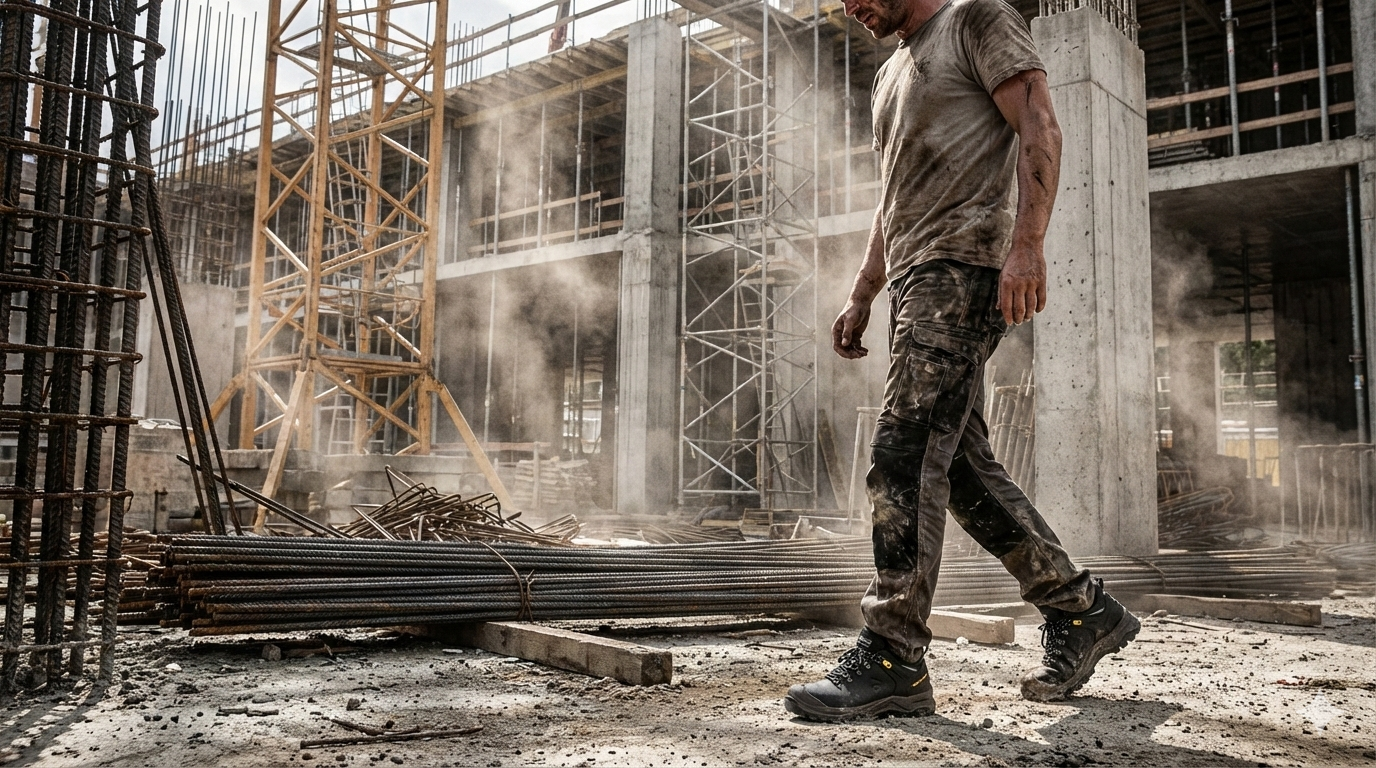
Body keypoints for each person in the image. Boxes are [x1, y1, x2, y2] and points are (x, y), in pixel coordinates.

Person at [784, 0, 1141, 722]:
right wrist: (862, 293)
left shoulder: (978, 20)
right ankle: (1081, 609)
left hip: (963, 267)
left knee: (903, 451)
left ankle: (893, 655)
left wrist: (1029, 244)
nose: (850, 9)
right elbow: (893, 201)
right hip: (918, 275)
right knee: (960, 471)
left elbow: (1039, 123)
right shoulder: (891, 74)